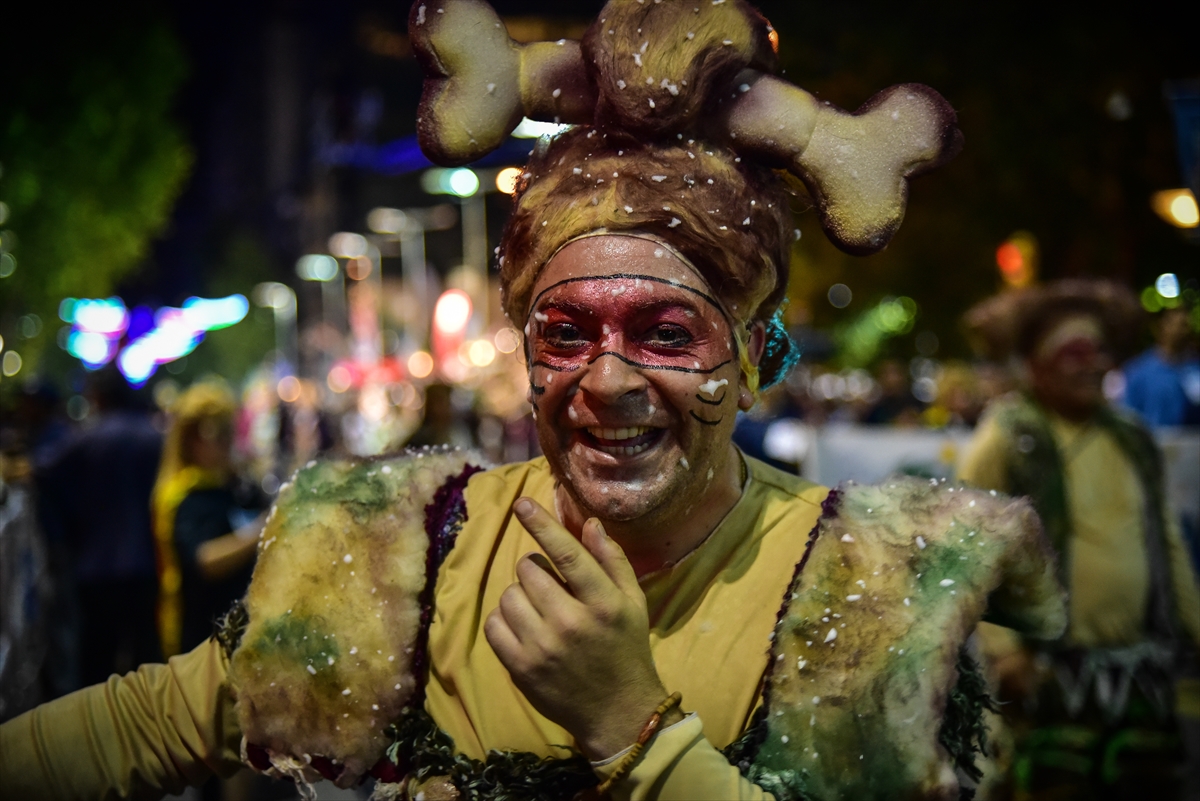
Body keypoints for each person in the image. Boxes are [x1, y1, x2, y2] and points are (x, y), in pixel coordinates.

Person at [0, 2, 1065, 799]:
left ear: (754, 357)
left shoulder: (877, 589)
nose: (607, 382)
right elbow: (143, 728)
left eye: (664, 333)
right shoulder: (399, 549)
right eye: (566, 333)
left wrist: (632, 729)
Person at [960, 280, 1200, 798]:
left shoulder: (1133, 436)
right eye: (1075, 352)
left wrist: (1195, 627)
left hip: (1142, 672)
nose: (1093, 365)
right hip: (1048, 678)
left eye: (1101, 353)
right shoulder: (1009, 437)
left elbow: (1168, 543)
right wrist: (1004, 653)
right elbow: (972, 549)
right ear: (1037, 365)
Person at [36, 367, 163, 688]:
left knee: (96, 661)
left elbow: (42, 474)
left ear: (99, 397)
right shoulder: (154, 437)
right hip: (148, 563)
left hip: (96, 566)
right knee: (145, 661)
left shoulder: (85, 439)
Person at [151, 382, 266, 659]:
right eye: (215, 433)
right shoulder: (185, 496)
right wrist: (260, 531)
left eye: (229, 431)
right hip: (202, 638)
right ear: (190, 439)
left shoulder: (231, 485)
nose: (226, 442)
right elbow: (204, 560)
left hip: (239, 632)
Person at [1121, 305, 1200, 427]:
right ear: (1161, 326)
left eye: (1185, 325)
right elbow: (1127, 415)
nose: (1181, 331)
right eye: (1176, 324)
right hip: (1152, 442)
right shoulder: (1139, 370)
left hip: (1192, 442)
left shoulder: (1195, 368)